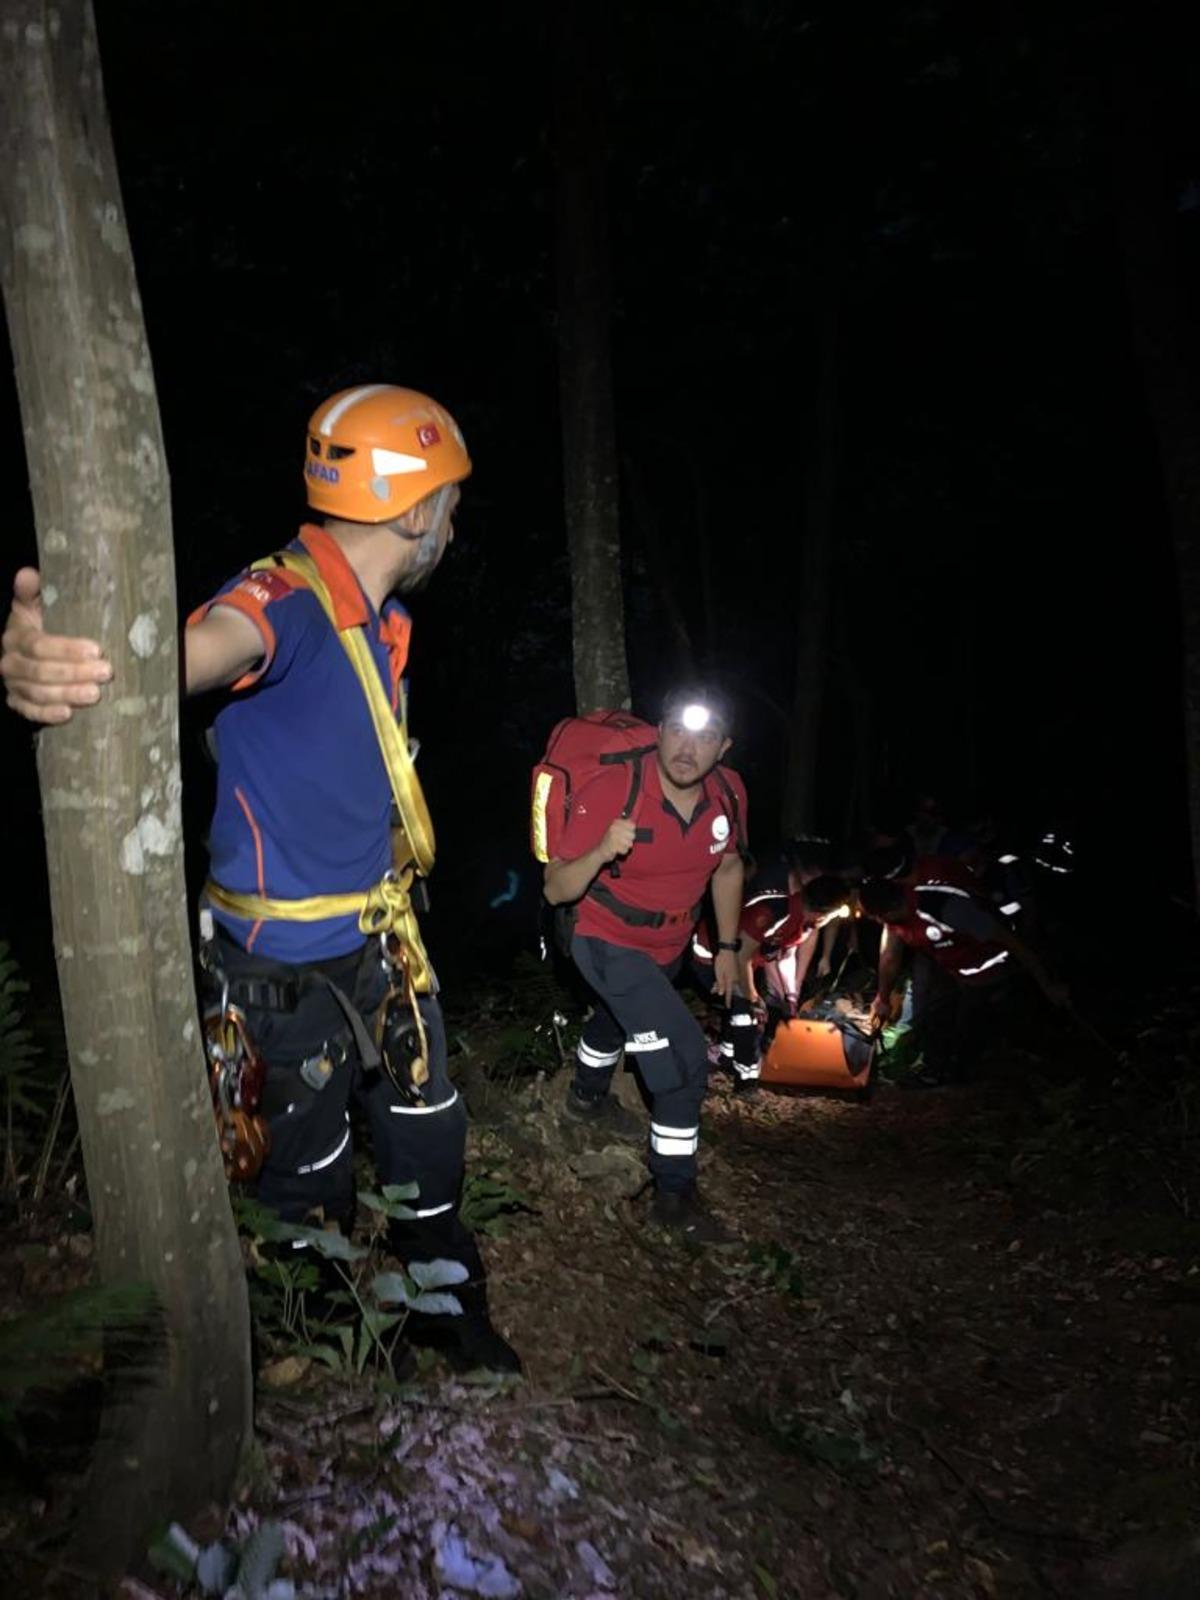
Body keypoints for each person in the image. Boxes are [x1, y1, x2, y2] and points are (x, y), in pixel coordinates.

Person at [0, 382, 519, 1372]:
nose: (455, 523)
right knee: (302, 1171)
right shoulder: (285, 601)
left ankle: (447, 1309)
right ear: (416, 512)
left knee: (426, 1131)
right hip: (278, 971)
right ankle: (319, 1336)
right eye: (451, 501)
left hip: (381, 942)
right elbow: (199, 650)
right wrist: (63, 660)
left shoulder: (380, 619)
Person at [543, 686, 747, 1242]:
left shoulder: (727, 795)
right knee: (683, 1061)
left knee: (618, 1017)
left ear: (723, 748)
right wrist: (601, 851)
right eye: (677, 730)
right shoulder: (616, 788)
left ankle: (586, 1097)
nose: (687, 748)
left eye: (705, 737)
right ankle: (673, 1198)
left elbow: (729, 867)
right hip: (605, 939)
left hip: (670, 946)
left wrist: (728, 949)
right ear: (659, 732)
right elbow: (556, 889)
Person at [859, 863, 1067, 1086]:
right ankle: (937, 1070)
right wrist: (882, 998)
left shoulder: (944, 907)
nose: (877, 922)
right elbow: (890, 957)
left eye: (876, 917)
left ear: (888, 911)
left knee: (981, 1032)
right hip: (957, 972)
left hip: (997, 973)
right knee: (934, 1021)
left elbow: (1014, 943)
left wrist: (1047, 984)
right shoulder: (895, 919)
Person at [692, 853, 850, 1096]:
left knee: (749, 1006)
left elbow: (783, 957)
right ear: (822, 914)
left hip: (742, 962)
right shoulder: (775, 911)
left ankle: (726, 1055)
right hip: (712, 958)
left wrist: (790, 995)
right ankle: (746, 1082)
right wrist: (753, 997)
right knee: (748, 1015)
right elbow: (740, 956)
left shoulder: (801, 922)